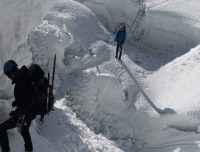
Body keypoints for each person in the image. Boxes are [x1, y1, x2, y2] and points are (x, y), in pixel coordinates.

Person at [0, 60, 36, 152]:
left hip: (25, 114)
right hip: (29, 113)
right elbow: (27, 96)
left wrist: (17, 112)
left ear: (12, 72)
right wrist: (18, 102)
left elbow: (31, 99)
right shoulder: (23, 78)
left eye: (8, 75)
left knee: (1, 128)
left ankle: (6, 150)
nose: (9, 77)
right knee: (24, 129)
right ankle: (29, 149)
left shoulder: (21, 82)